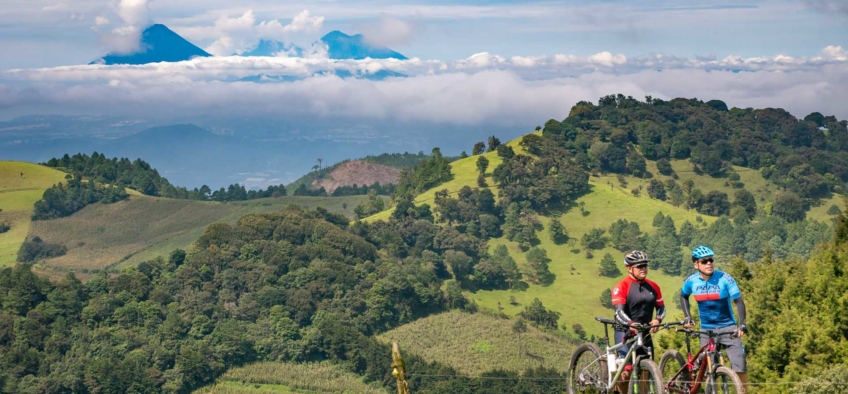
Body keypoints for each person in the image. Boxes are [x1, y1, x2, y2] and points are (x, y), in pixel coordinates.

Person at [681, 245, 748, 392]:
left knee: (740, 366)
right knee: (709, 370)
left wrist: (741, 324)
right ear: (696, 264)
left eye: (711, 260)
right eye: (704, 261)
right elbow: (683, 296)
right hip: (706, 329)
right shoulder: (691, 281)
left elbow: (738, 301)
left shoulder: (725, 278)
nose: (709, 263)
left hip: (728, 327)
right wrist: (688, 317)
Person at [611, 250, 666, 394]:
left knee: (646, 374)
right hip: (625, 332)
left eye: (645, 266)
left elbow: (661, 308)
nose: (644, 269)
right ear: (629, 268)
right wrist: (630, 323)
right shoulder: (621, 286)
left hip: (645, 333)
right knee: (626, 373)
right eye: (639, 266)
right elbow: (619, 312)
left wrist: (657, 319)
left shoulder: (654, 286)